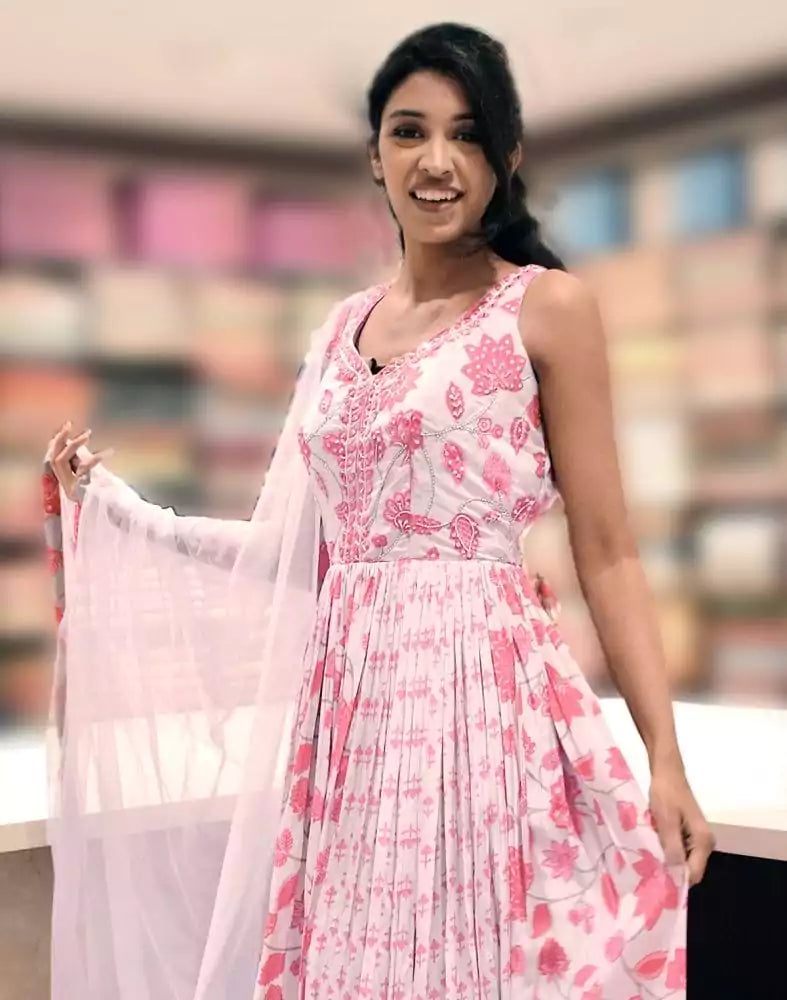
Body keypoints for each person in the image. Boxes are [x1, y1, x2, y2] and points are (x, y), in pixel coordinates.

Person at [46, 21, 713, 1000]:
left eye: (467, 134)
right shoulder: (339, 330)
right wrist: (117, 510)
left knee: (478, 964)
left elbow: (608, 549)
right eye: (409, 132)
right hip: (351, 717)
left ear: (507, 156)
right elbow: (290, 550)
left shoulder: (546, 309)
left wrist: (665, 758)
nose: (437, 161)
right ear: (374, 155)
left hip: (482, 704)